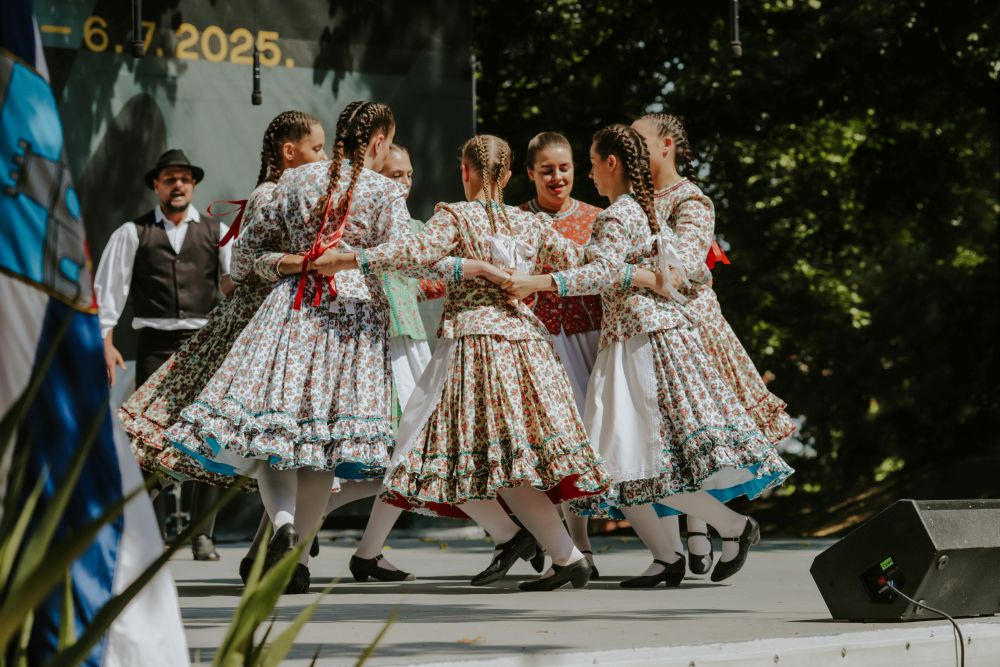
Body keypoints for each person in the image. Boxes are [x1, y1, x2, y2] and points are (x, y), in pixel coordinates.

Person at [315, 134, 611, 591]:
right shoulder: (530, 224)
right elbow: (584, 263)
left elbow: (410, 253)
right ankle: (560, 553)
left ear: (465, 172)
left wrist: (348, 259)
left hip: (475, 346)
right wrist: (557, 275)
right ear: (508, 175)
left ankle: (559, 552)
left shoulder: (455, 216)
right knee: (505, 457)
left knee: (481, 453)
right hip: (528, 347)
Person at [503, 124, 793, 586]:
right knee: (618, 463)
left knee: (622, 461)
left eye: (591, 164)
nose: (589, 175)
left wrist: (537, 282)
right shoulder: (636, 211)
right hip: (627, 339)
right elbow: (599, 264)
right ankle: (672, 553)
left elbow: (604, 272)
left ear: (610, 163)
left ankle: (728, 528)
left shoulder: (621, 213)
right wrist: (545, 237)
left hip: (643, 342)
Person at [116, 112, 327, 576]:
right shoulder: (269, 195)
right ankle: (139, 531)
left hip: (272, 327)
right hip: (240, 332)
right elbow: (246, 267)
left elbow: (236, 274)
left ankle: (269, 541)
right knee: (190, 433)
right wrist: (300, 265)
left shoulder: (287, 197)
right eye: (317, 148)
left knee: (266, 439)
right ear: (289, 151)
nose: (324, 157)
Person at [632, 112, 797, 576]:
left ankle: (708, 529)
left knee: (693, 433)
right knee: (665, 435)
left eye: (639, 141)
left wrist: (640, 272)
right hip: (650, 328)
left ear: (666, 145)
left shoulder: (691, 200)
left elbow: (685, 264)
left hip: (693, 328)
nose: (631, 149)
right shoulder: (632, 200)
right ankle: (690, 539)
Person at [96, 148, 233, 560]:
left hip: (204, 346)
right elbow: (109, 291)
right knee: (149, 440)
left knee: (206, 439)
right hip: (155, 345)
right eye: (170, 179)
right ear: (156, 185)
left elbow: (235, 287)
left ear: (194, 186)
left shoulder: (216, 231)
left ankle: (202, 534)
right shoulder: (133, 233)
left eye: (185, 179)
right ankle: (149, 536)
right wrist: (105, 341)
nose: (178, 185)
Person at [518, 132, 604, 576]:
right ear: (530, 173)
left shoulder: (596, 218)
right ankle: (553, 537)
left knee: (585, 439)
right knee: (546, 442)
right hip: (539, 341)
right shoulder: (515, 220)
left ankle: (580, 539)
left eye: (564, 168)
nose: (557, 177)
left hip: (589, 337)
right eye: (547, 169)